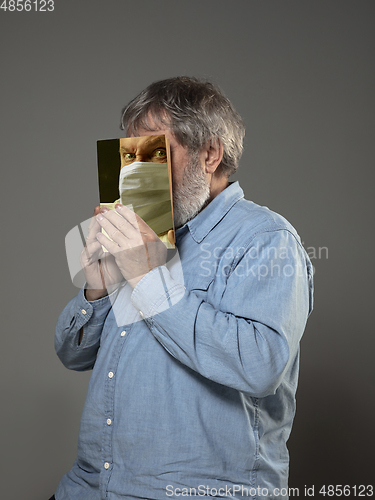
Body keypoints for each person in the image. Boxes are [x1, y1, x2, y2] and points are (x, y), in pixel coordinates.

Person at [53, 76, 313, 500]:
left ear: (210, 154)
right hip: (90, 488)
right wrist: (96, 290)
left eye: (155, 152)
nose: (137, 172)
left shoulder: (267, 239)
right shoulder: (145, 230)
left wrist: (148, 278)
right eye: (131, 153)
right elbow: (72, 355)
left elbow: (260, 365)